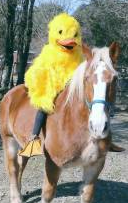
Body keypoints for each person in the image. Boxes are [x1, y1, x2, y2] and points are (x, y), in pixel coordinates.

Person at [19, 13, 84, 157]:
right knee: (44, 106)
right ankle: (34, 137)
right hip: (52, 85)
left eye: (73, 35)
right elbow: (38, 69)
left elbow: (82, 70)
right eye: (61, 33)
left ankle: (98, 137)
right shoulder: (49, 52)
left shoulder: (79, 54)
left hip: (71, 88)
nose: (69, 41)